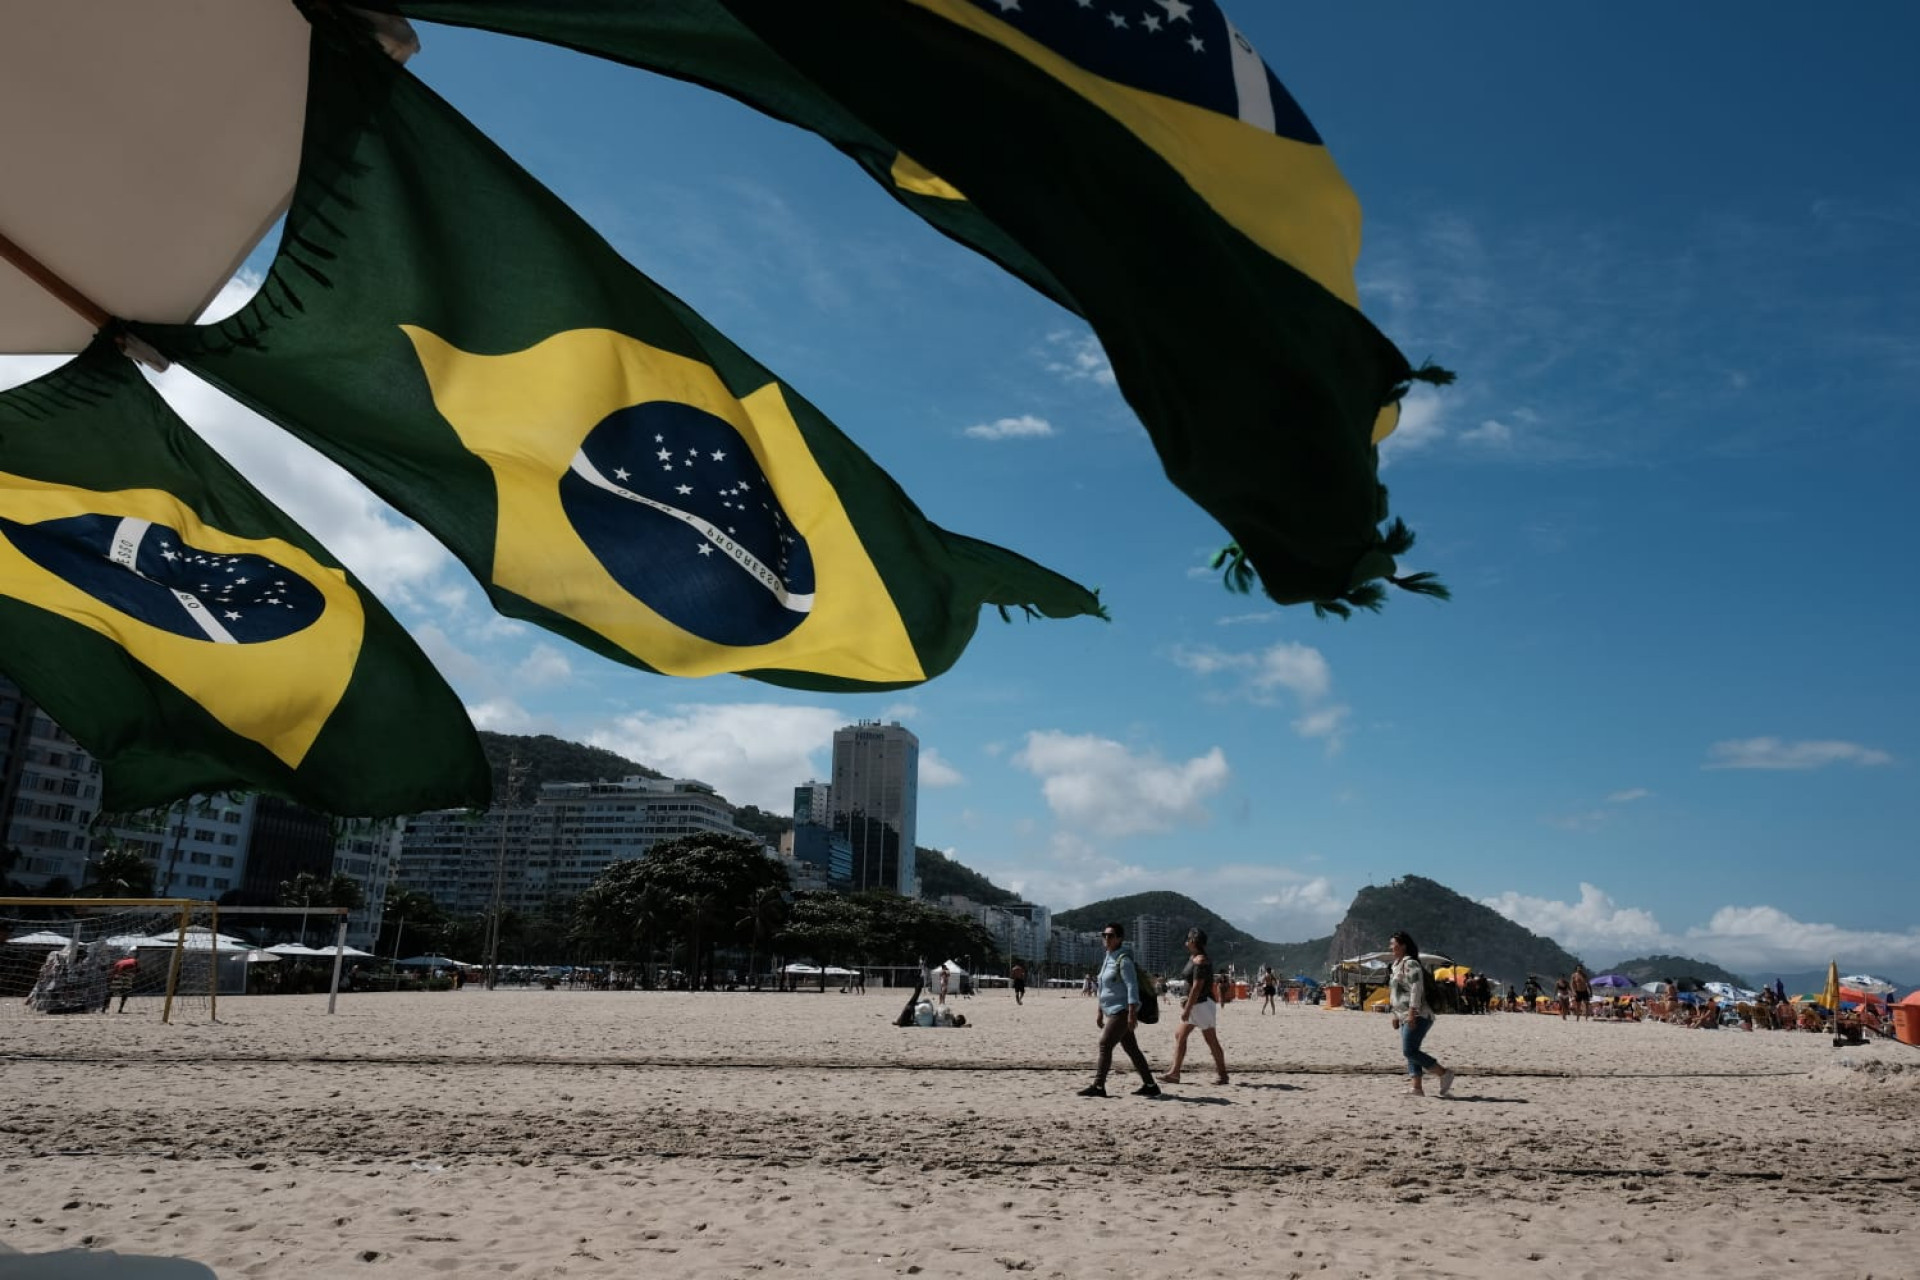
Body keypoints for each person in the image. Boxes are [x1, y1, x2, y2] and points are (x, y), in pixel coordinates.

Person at [1077, 922, 1159, 1099]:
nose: (1106, 938)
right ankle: (1150, 1085)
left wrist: (1131, 1013)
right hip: (1111, 1010)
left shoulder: (1124, 959)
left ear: (1119, 938)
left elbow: (1132, 987)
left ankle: (1098, 1086)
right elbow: (1103, 988)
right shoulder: (1109, 958)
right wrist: (1099, 1011)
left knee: (1105, 1044)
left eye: (1111, 935)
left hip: (1122, 1011)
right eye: (1104, 935)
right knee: (1132, 1049)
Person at [1388, 930, 1455, 1098]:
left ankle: (1443, 1073)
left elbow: (1416, 989)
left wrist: (1412, 1012)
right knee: (1412, 1050)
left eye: (1393, 944)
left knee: (1409, 1051)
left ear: (1403, 946)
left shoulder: (1411, 964)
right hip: (1402, 1014)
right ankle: (1417, 1088)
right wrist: (1395, 1015)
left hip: (1419, 1014)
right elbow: (1395, 992)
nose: (1391, 947)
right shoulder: (1396, 965)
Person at [1159, 928, 1229, 1086]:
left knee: (1211, 1040)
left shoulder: (1200, 961)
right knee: (1180, 1035)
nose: (1185, 940)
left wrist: (1187, 1009)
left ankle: (1223, 1075)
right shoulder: (1194, 958)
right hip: (1197, 1004)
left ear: (1193, 941)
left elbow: (1198, 987)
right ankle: (1174, 1073)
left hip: (1202, 1004)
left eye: (1188, 938)